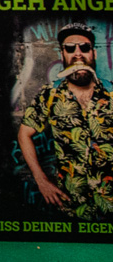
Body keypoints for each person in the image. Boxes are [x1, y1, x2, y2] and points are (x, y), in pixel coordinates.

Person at [17, 22, 113, 220]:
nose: (78, 54)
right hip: (72, 209)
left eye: (84, 48)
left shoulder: (111, 93)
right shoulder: (50, 95)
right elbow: (24, 134)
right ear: (63, 55)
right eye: (70, 49)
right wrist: (41, 179)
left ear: (93, 53)